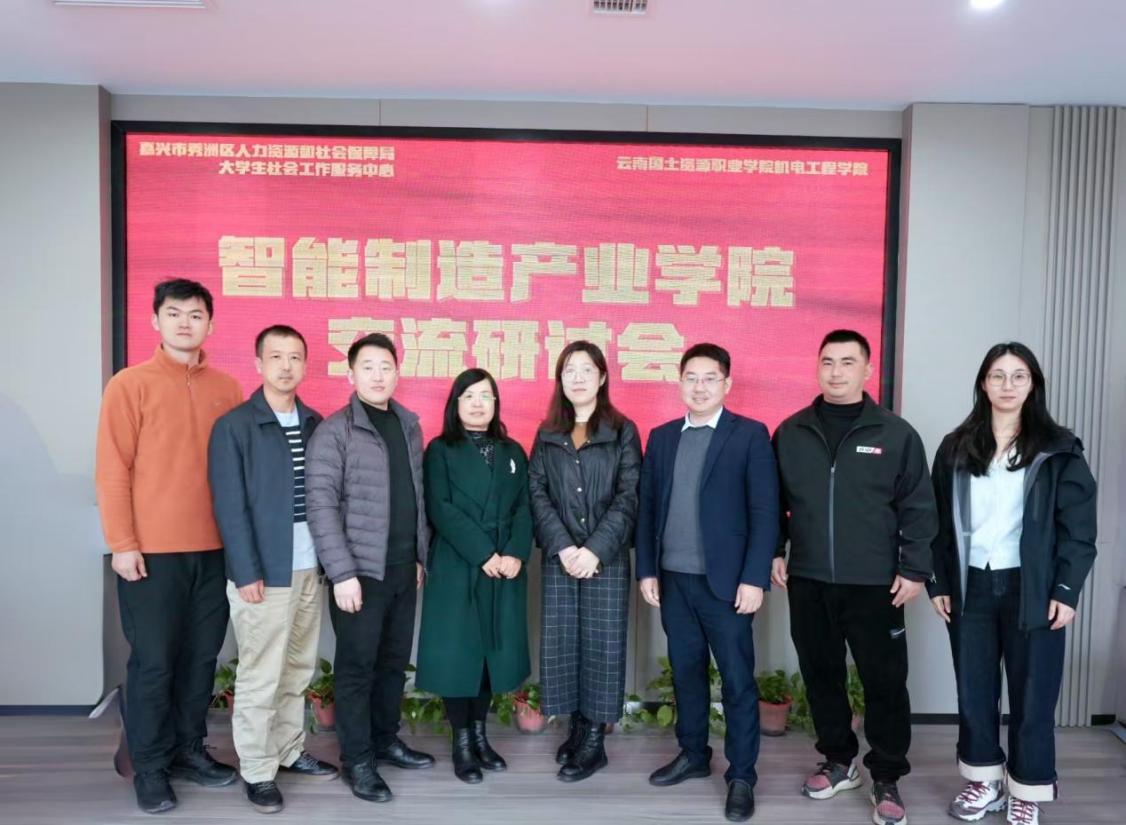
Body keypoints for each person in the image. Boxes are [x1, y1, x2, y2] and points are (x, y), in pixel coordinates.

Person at [771, 329, 937, 825]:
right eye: (827, 361)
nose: (836, 371)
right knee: (821, 674)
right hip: (808, 579)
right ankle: (839, 761)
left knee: (885, 681)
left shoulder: (896, 434)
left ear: (867, 369)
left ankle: (886, 774)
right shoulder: (791, 432)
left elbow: (919, 506)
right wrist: (774, 552)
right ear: (817, 367)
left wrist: (914, 569)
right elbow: (770, 503)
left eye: (847, 362)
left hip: (876, 584)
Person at [928, 343, 1097, 825]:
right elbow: (934, 520)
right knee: (974, 690)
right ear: (983, 383)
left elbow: (1079, 528)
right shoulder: (956, 446)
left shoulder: (1059, 448)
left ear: (1032, 385)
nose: (1007, 385)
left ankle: (1027, 789)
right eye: (998, 375)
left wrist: (1067, 590)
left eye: (1018, 376)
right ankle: (984, 781)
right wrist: (939, 581)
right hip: (971, 586)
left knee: (1034, 693)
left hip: (1034, 587)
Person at [95, 278, 242, 814]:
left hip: (215, 551)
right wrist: (122, 543)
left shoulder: (227, 389)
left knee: (201, 659)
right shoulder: (129, 385)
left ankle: (188, 750)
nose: (185, 322)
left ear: (210, 324)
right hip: (151, 554)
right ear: (155, 321)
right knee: (154, 662)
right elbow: (112, 470)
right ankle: (150, 766)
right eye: (174, 313)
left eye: (195, 314)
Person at [636, 342, 778, 823]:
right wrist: (648, 569)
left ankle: (742, 775)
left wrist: (755, 578)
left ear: (727, 383)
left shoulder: (749, 435)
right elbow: (647, 509)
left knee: (737, 681)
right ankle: (694, 754)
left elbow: (765, 513)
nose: (700, 387)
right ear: (679, 382)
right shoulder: (662, 438)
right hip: (674, 581)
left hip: (728, 585)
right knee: (686, 673)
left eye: (710, 378)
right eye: (691, 377)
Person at [208, 325, 338, 814]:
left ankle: (287, 750)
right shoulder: (235, 426)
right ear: (258, 364)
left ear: (305, 365)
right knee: (261, 674)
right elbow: (230, 506)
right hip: (264, 572)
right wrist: (245, 571)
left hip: (309, 570)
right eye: (276, 356)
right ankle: (258, 770)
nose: (286, 366)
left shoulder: (315, 423)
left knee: (298, 669)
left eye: (295, 357)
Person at [306, 332, 434, 803]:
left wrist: (418, 555)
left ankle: (384, 740)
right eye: (368, 367)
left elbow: (416, 495)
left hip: (402, 570)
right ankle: (357, 760)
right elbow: (320, 506)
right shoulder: (334, 431)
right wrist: (341, 573)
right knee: (356, 668)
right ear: (351, 374)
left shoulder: (408, 425)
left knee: (393, 664)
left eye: (386, 367)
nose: (378, 376)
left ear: (397, 373)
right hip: (358, 574)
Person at [528, 340, 641, 782]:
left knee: (602, 645)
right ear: (560, 379)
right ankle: (576, 726)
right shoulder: (547, 433)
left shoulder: (622, 430)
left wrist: (594, 549)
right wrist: (564, 546)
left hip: (605, 559)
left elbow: (629, 495)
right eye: (569, 370)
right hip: (561, 557)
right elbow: (537, 492)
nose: (577, 378)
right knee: (562, 643)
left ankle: (595, 739)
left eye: (586, 370)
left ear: (602, 377)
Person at [415, 368, 533, 784]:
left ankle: (481, 735)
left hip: (504, 566)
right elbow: (440, 508)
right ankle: (461, 741)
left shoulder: (513, 451)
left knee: (488, 656)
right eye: (469, 396)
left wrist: (515, 552)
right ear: (456, 404)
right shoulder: (440, 450)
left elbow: (525, 507)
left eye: (486, 396)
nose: (478, 403)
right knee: (458, 655)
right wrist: (483, 552)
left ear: (496, 403)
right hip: (459, 562)